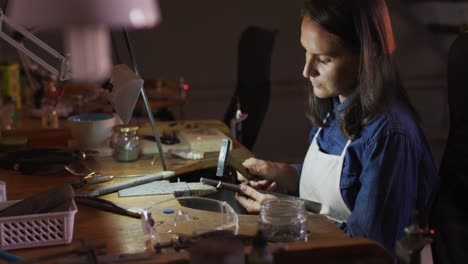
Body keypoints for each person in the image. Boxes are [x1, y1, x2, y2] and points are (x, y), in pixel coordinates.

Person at [234, 0, 439, 255]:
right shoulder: (336, 104)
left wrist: (285, 215)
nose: (306, 70)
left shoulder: (389, 136)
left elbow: (369, 249)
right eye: (306, 53)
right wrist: (282, 173)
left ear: (370, 51)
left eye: (324, 59)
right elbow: (341, 186)